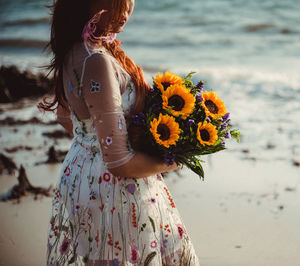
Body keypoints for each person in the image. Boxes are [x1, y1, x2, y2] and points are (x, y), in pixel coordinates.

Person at [39, 0, 199, 265]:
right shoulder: (97, 61)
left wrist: (95, 144)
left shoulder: (76, 51)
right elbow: (119, 162)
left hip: (82, 177)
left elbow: (66, 117)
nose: (127, 10)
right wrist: (174, 160)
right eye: (118, 1)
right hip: (109, 192)